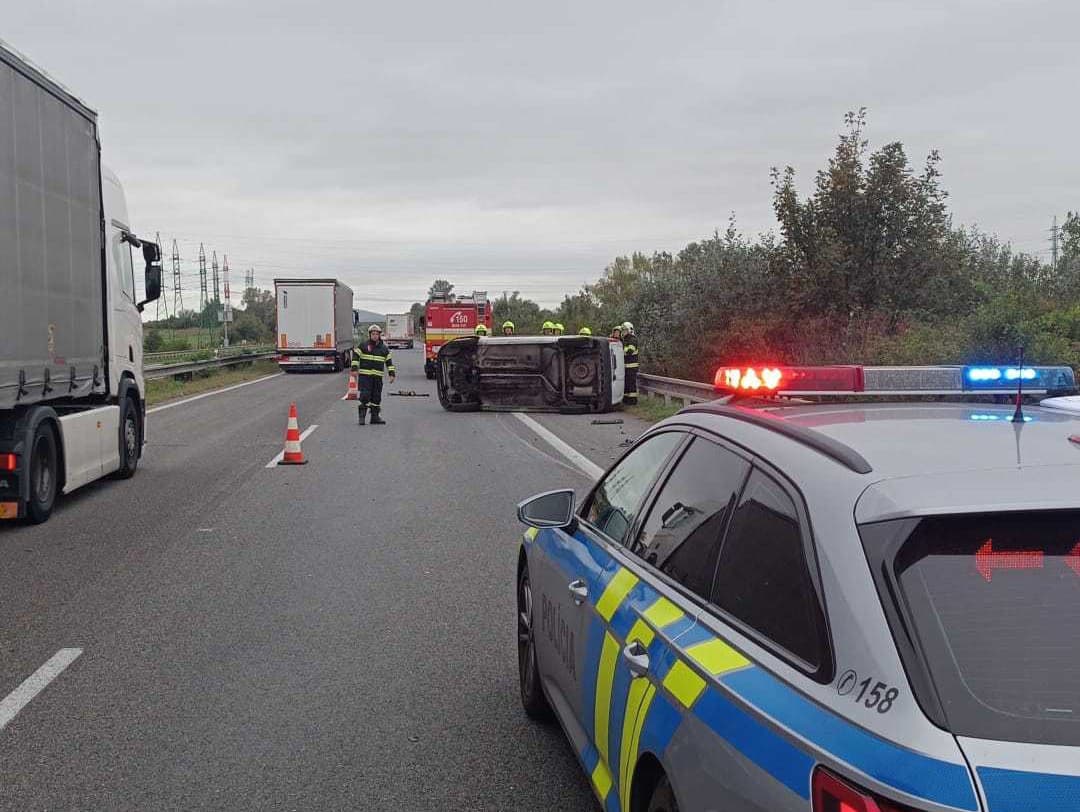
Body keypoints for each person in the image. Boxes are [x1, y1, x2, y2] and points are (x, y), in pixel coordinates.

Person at [352, 324, 396, 425]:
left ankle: (374, 418)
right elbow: (355, 357)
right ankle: (362, 418)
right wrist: (354, 369)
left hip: (377, 378)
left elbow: (389, 363)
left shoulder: (384, 349)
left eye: (377, 334)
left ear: (379, 335)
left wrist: (392, 374)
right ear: (370, 334)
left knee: (376, 397)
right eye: (373, 334)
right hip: (365, 377)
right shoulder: (363, 345)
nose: (375, 335)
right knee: (365, 396)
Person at [621, 321, 639, 405]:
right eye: (622, 331)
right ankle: (626, 399)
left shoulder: (633, 339)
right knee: (627, 384)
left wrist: (621, 350)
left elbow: (629, 351)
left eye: (624, 330)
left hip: (632, 366)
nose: (623, 332)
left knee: (631, 384)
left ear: (629, 330)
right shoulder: (625, 340)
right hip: (626, 366)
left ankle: (632, 400)